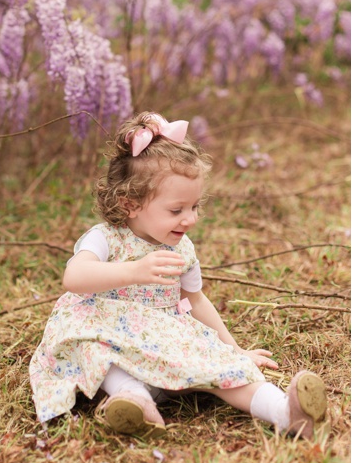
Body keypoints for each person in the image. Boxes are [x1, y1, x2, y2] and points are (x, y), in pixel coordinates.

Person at [29, 112, 328, 440]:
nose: (190, 219)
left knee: (224, 368)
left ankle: (285, 412)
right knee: (98, 350)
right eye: (177, 210)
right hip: (110, 338)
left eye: (195, 207)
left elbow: (195, 300)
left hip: (165, 341)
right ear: (130, 204)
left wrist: (234, 349)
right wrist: (134, 271)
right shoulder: (106, 237)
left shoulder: (181, 249)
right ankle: (135, 403)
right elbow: (75, 276)